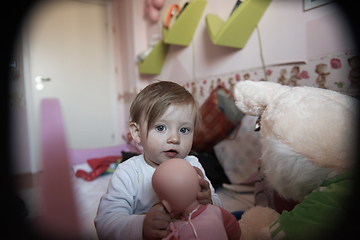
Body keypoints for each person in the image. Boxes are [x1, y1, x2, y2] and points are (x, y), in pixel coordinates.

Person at [95, 81, 222, 240]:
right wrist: (142, 226)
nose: (175, 138)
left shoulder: (193, 165)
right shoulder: (128, 172)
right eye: (161, 127)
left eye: (184, 130)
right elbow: (105, 223)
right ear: (137, 133)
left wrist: (208, 200)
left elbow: (219, 211)